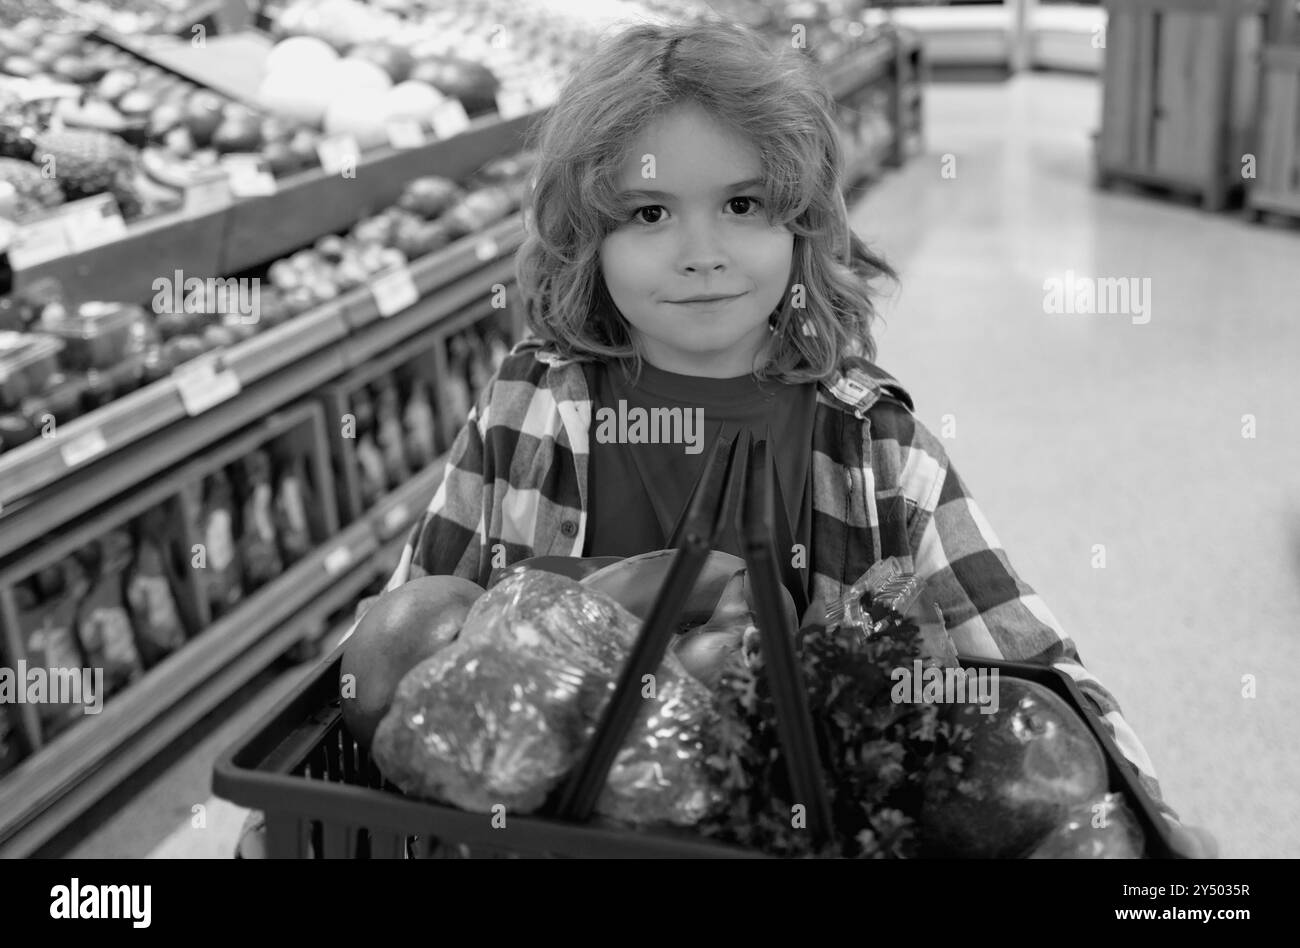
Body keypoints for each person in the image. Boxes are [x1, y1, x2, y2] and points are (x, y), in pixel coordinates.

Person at [241, 20, 1215, 859]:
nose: (701, 250)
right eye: (649, 212)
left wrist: (1144, 810)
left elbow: (1023, 653)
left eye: (742, 206)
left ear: (803, 223)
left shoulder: (871, 443)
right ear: (587, 239)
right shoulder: (522, 411)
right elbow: (403, 641)